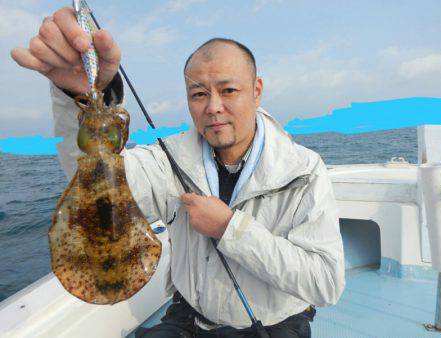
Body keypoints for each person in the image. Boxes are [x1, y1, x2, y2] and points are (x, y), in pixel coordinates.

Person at [11, 7, 345, 338]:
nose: (213, 107)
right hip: (190, 318)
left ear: (256, 91)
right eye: (199, 94)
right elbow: (94, 175)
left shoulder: (303, 171)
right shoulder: (167, 160)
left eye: (229, 91)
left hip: (274, 324)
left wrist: (231, 229)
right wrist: (81, 99)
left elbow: (326, 283)